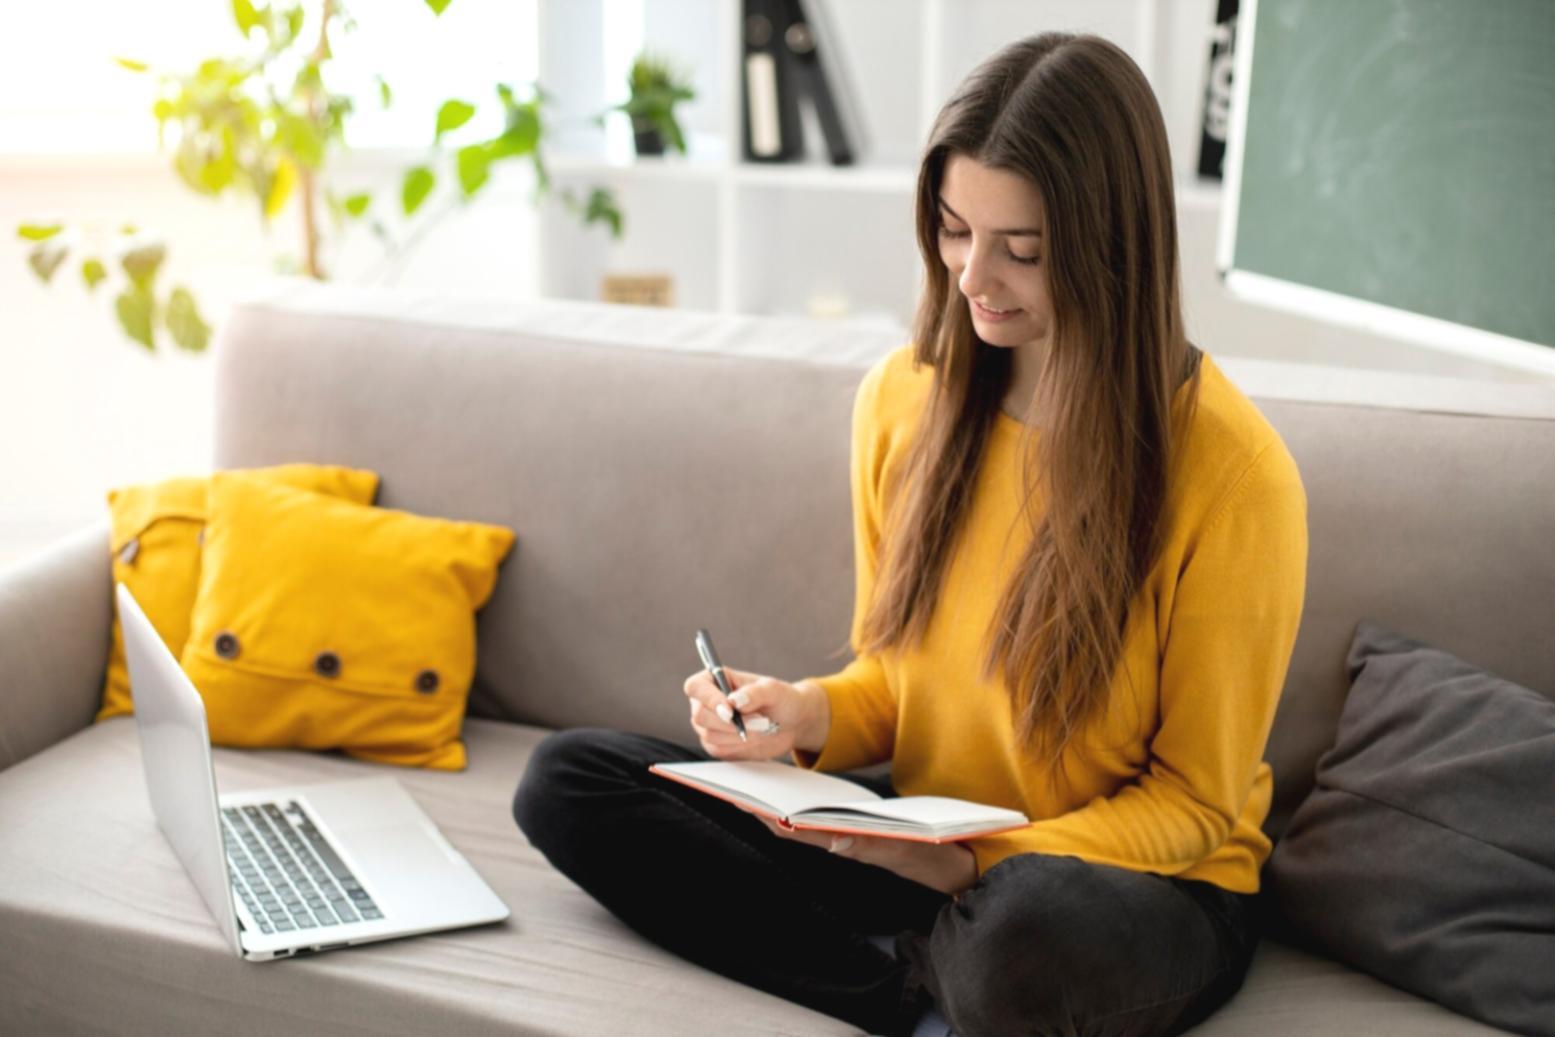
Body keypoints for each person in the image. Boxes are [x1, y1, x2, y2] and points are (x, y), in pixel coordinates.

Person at [513, 31, 1307, 1037]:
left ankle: (927, 964)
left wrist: (975, 861)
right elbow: (894, 681)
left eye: (1021, 249)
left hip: (1129, 882)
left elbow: (1194, 804)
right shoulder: (904, 399)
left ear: (1114, 241)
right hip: (923, 839)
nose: (975, 276)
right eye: (951, 229)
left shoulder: (1233, 473)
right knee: (570, 779)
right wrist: (801, 714)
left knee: (1023, 931)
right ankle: (906, 991)